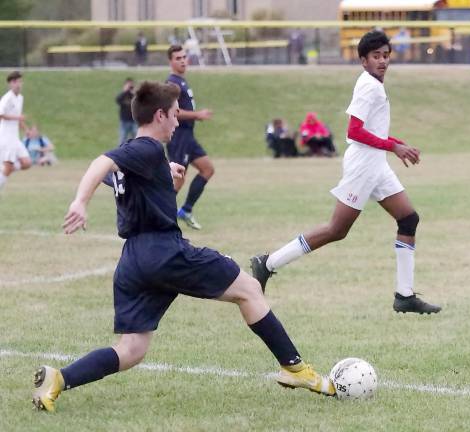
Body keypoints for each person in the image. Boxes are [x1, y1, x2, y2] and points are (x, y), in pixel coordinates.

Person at [31, 81, 335, 413]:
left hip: (134, 261)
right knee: (248, 288)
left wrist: (166, 178)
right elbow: (100, 163)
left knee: (131, 350)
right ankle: (295, 369)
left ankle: (57, 380)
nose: (178, 122)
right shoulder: (145, 149)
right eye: (175, 115)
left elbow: (134, 188)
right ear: (160, 115)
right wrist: (80, 202)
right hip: (163, 251)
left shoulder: (141, 154)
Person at [251, 31, 441, 315]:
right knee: (337, 230)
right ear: (363, 60)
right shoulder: (369, 86)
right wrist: (394, 147)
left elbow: (372, 130)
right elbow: (354, 131)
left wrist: (396, 144)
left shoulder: (374, 84)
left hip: (376, 163)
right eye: (376, 56)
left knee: (408, 218)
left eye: (386, 55)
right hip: (364, 165)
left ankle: (404, 295)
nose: (382, 61)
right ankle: (267, 263)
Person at [166, 45, 214, 230]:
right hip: (178, 136)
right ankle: (158, 215)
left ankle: (185, 210)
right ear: (170, 61)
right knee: (177, 178)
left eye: (184, 57)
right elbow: (173, 112)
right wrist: (197, 115)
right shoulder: (172, 83)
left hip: (189, 136)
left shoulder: (181, 81)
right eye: (178, 58)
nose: (183, 60)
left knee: (207, 169)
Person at [0, 71, 31, 193]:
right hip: (6, 137)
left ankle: (5, 168)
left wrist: (26, 129)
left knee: (27, 163)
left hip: (15, 137)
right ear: (10, 84)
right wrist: (18, 118)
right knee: (7, 168)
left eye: (20, 81)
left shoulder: (20, 98)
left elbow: (18, 116)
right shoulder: (7, 98)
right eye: (16, 82)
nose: (19, 84)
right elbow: (1, 114)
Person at [116, 78, 137, 145]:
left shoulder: (135, 95)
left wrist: (134, 93)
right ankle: (120, 154)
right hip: (124, 121)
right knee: (122, 139)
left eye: (131, 85)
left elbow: (141, 102)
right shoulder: (123, 95)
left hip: (134, 121)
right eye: (128, 85)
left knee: (136, 139)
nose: (130, 86)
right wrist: (125, 91)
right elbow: (117, 100)